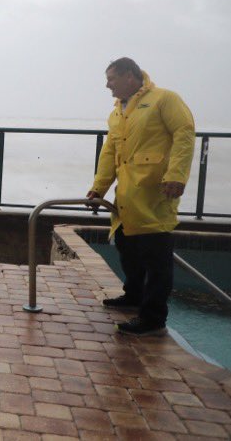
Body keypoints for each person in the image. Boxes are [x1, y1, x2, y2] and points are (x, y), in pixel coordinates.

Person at [87, 57, 194, 336]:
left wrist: (177, 175)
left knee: (156, 258)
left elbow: (184, 133)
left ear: (130, 77)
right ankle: (133, 295)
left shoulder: (164, 99)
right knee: (126, 246)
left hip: (155, 190)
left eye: (111, 78)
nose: (107, 85)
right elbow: (110, 152)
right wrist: (99, 186)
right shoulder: (117, 113)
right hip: (127, 195)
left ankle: (153, 317)